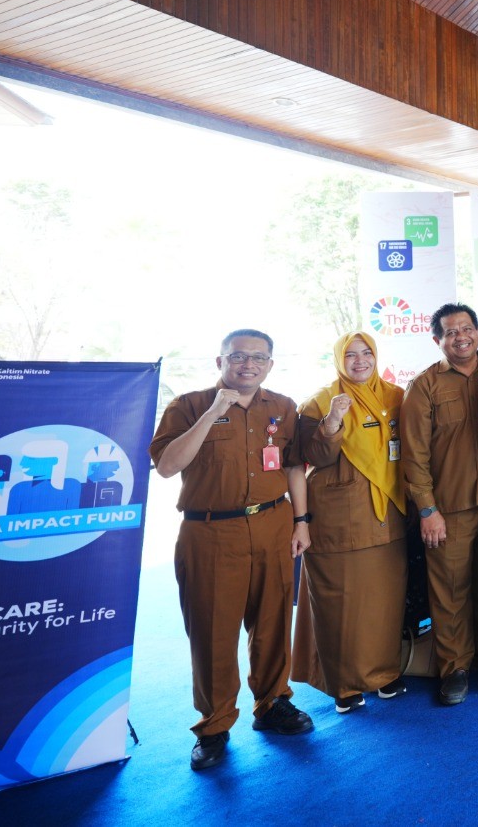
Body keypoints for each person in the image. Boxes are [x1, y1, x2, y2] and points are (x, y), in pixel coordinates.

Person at [149, 328, 314, 771]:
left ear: (270, 365)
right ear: (220, 361)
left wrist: (301, 521)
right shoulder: (188, 405)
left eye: (259, 358)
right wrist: (213, 414)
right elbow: (166, 466)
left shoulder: (283, 407)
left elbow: (294, 467)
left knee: (274, 620)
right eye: (239, 356)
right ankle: (215, 723)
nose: (248, 365)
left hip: (273, 523)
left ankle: (273, 702)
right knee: (213, 631)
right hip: (210, 532)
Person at [293, 332, 409, 714]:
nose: (360, 361)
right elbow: (314, 457)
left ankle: (385, 674)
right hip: (338, 519)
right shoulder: (320, 401)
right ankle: (344, 685)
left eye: (367, 353)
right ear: (338, 360)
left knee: (385, 600)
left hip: (388, 513)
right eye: (351, 355)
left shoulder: (395, 396)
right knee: (339, 604)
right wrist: (332, 421)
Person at [399, 303, 478, 707]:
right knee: (450, 591)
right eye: (451, 332)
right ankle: (454, 667)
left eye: (467, 328)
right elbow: (414, 456)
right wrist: (427, 510)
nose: (461, 337)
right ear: (437, 339)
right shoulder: (424, 386)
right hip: (450, 508)